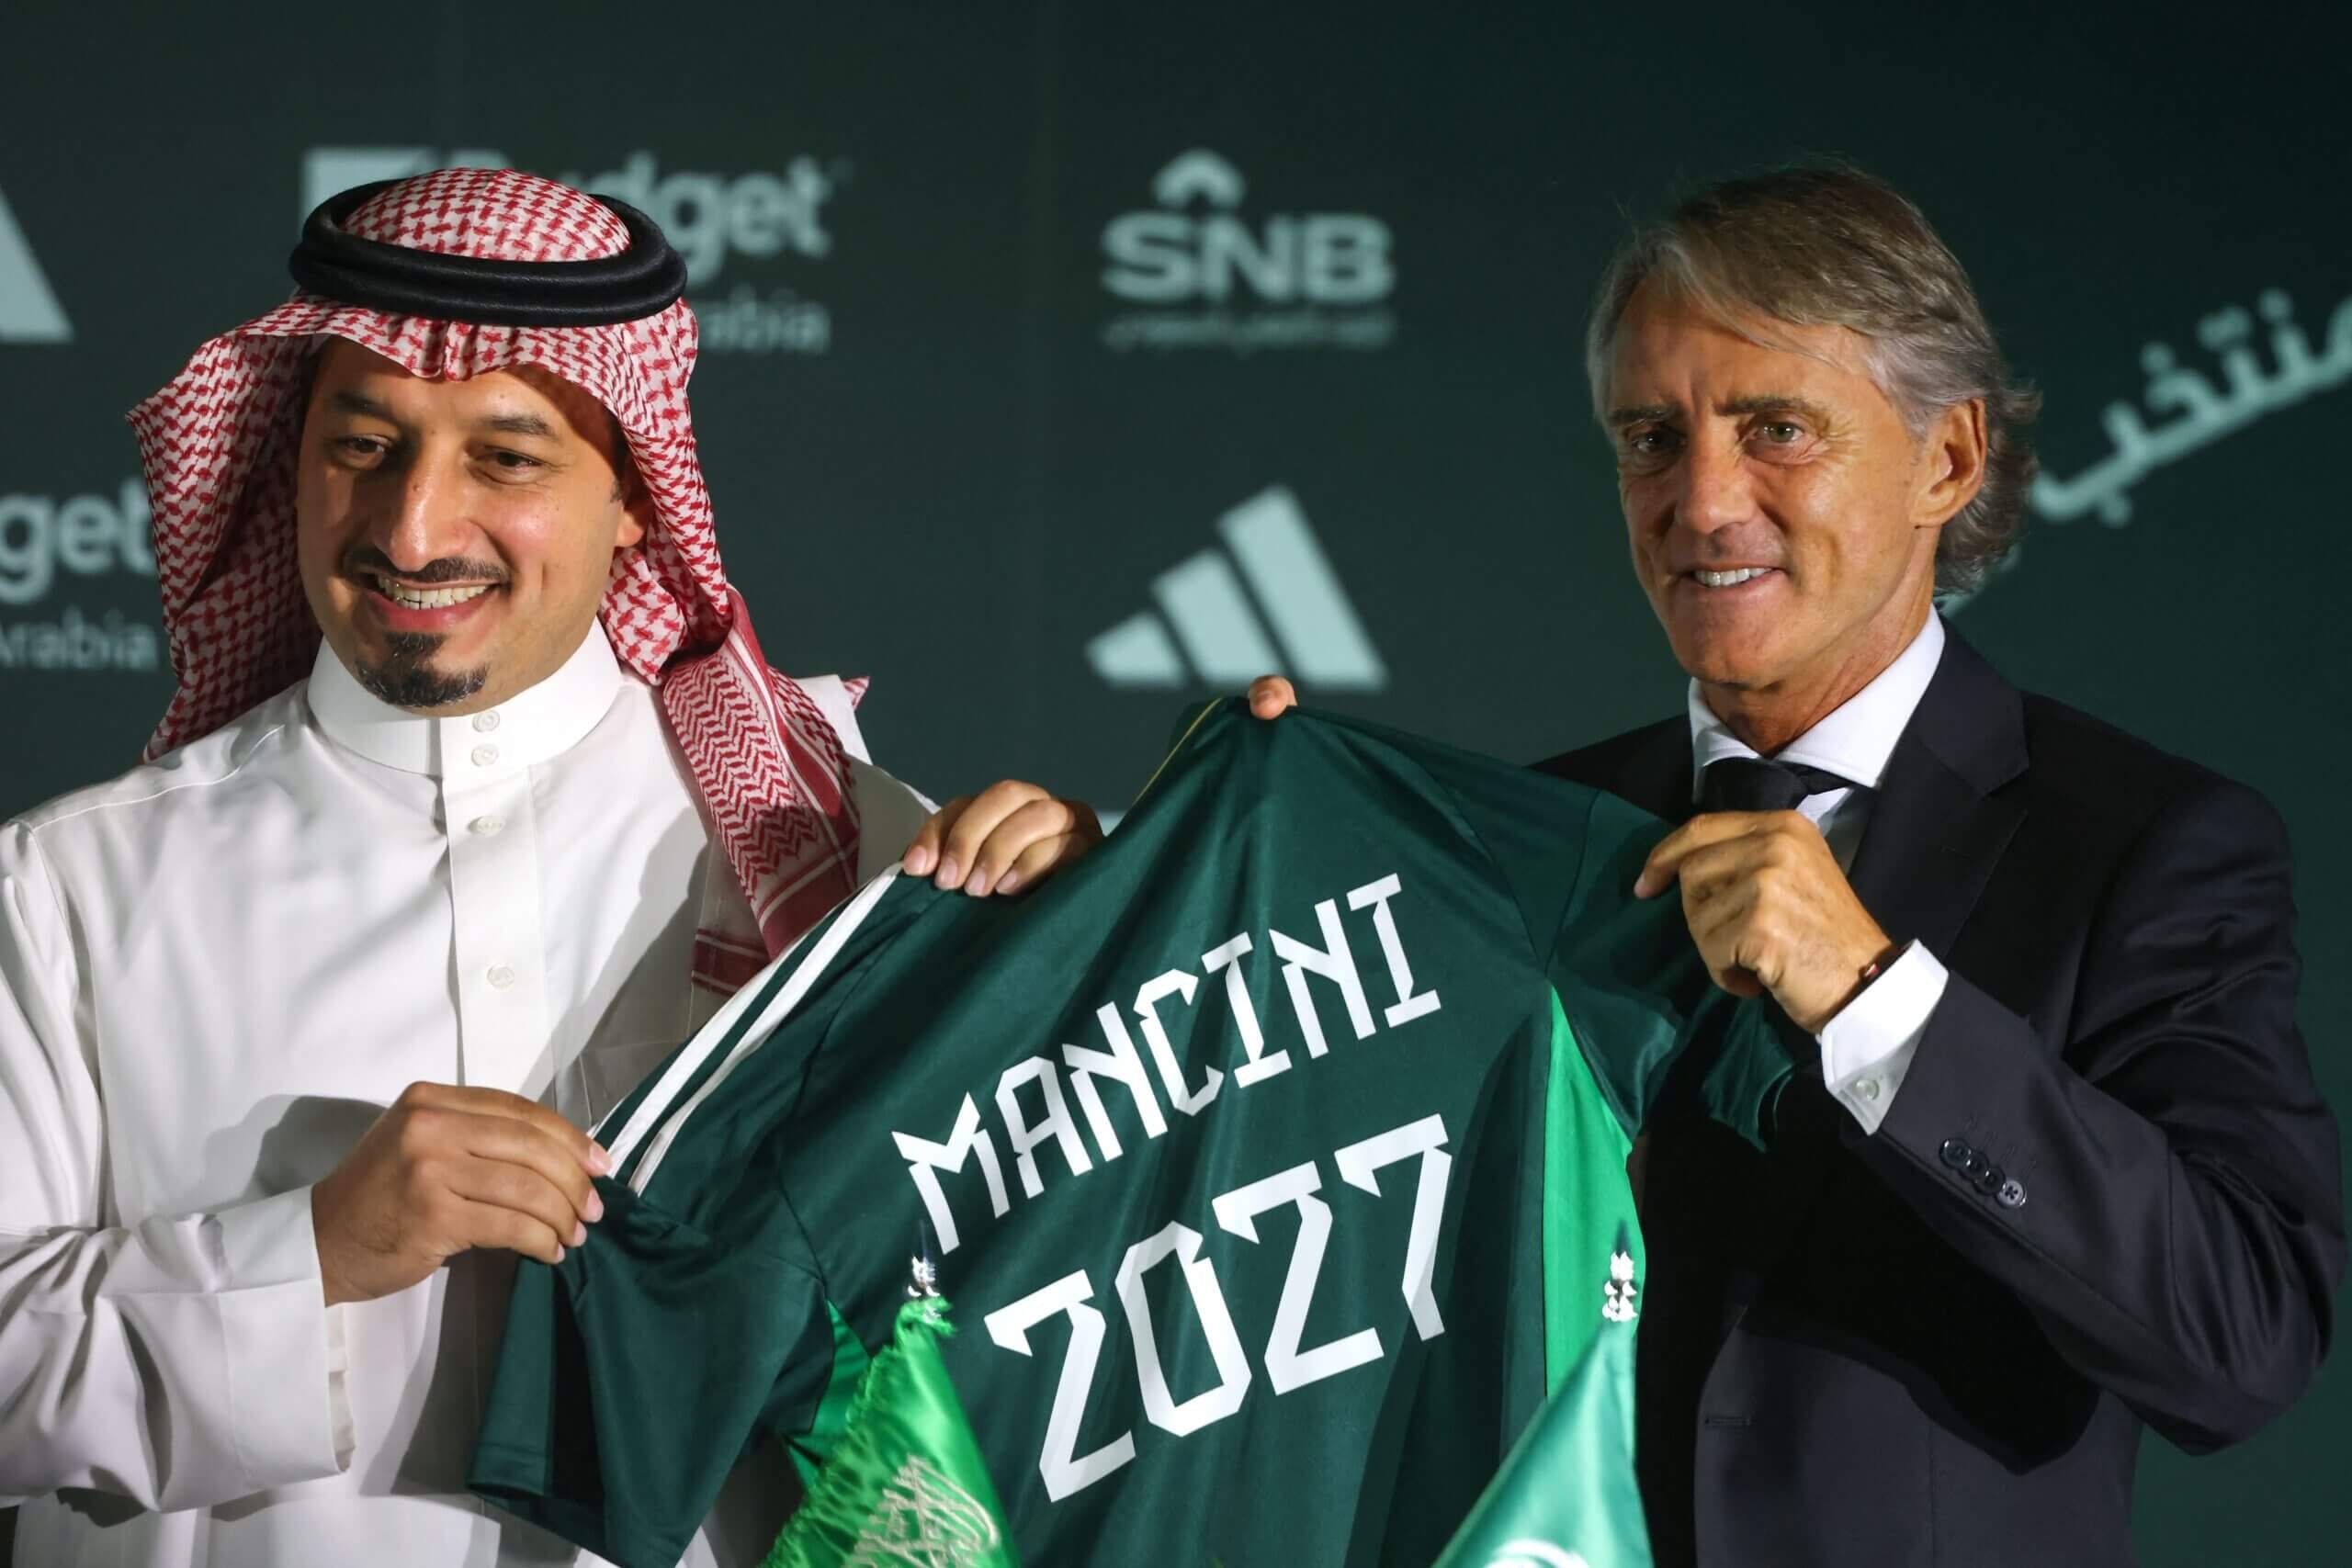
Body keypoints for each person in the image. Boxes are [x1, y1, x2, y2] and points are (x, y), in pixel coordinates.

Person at [0, 168, 1097, 1567]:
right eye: (363, 446)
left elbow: (1072, 1284)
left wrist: (1105, 923)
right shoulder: (71, 891)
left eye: (507, 460)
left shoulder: (846, 858)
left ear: (638, 496)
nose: (412, 529)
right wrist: (311, 1257)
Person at [1252, 164, 2344, 1566]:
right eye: (1652, 438)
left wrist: (1879, 1001)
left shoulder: (2144, 845)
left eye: (1776, 428)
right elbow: (1291, 1229)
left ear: (1947, 461)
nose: (1702, 502)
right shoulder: (1523, 840)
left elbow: (2244, 1335)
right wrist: (1115, 907)